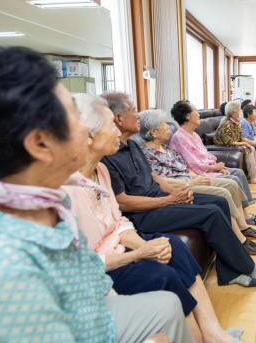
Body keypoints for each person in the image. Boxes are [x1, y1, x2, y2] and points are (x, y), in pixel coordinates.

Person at [0, 46, 194, 343]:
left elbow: (86, 270)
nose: (91, 130)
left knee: (166, 305)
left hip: (92, 311)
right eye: (74, 116)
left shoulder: (51, 197)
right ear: (39, 143)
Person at [62, 94, 246, 343]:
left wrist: (144, 245)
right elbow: (80, 259)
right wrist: (138, 253)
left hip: (123, 241)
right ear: (88, 135)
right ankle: (199, 338)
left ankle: (212, 333)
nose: (116, 130)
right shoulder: (65, 189)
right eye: (110, 125)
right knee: (162, 273)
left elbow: (118, 222)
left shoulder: (101, 169)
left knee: (177, 248)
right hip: (105, 261)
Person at [100, 93, 256, 287]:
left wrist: (174, 193)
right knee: (212, 213)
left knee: (220, 201)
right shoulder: (108, 156)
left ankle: (229, 272)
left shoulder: (131, 145)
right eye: (134, 111)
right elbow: (122, 201)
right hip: (144, 213)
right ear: (118, 119)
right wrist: (169, 200)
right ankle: (245, 266)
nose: (138, 115)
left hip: (161, 197)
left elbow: (154, 176)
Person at [134, 109, 256, 254]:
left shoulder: (167, 148)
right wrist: (191, 183)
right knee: (223, 193)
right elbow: (161, 181)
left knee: (232, 184)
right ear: (153, 132)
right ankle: (239, 238)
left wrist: (197, 177)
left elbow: (186, 166)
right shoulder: (145, 154)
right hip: (181, 186)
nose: (168, 127)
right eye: (163, 124)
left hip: (192, 179)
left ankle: (242, 225)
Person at [169, 100, 256, 225]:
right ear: (187, 116)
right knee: (234, 179)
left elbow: (206, 154)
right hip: (200, 173)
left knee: (239, 173)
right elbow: (193, 164)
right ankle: (242, 217)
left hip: (210, 168)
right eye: (196, 111)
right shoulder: (180, 137)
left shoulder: (194, 135)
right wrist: (215, 167)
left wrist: (218, 166)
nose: (198, 114)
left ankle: (244, 212)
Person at [214, 101, 256, 184]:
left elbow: (239, 137)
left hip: (232, 144)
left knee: (252, 148)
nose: (241, 112)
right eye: (240, 110)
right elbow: (229, 141)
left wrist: (245, 142)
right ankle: (253, 177)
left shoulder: (236, 123)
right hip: (225, 146)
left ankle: (254, 175)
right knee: (249, 149)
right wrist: (243, 143)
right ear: (234, 114)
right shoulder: (227, 124)